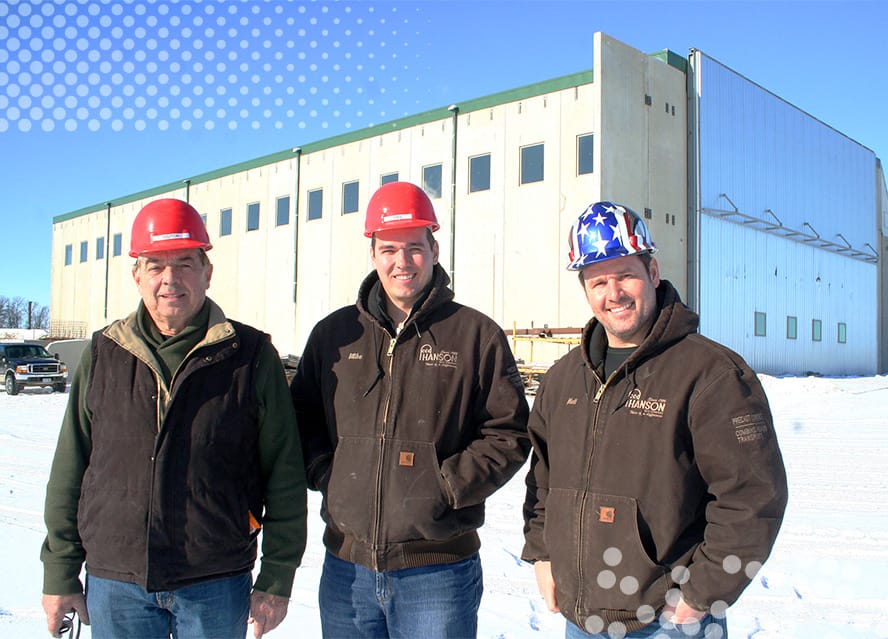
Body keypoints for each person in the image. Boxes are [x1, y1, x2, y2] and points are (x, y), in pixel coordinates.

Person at [40, 198, 308, 639]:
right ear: (136, 275)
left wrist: (277, 579)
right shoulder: (104, 353)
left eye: (184, 263)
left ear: (207, 271)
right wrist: (60, 571)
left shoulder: (251, 356)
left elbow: (284, 473)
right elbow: (71, 468)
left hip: (215, 581)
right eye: (155, 265)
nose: (170, 279)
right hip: (116, 582)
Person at [522, 202, 788, 639]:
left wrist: (704, 594)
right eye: (598, 281)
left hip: (668, 621)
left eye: (625, 275)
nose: (614, 294)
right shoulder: (564, 378)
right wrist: (543, 554)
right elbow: (544, 478)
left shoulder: (710, 374)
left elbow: (755, 495)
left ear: (653, 271)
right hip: (581, 619)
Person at [291, 181, 531, 638]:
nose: (402, 262)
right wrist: (327, 473)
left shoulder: (475, 336)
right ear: (373, 253)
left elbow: (509, 432)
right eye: (389, 249)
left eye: (414, 248)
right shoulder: (334, 336)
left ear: (434, 249)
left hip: (437, 572)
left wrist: (446, 486)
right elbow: (301, 419)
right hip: (347, 569)